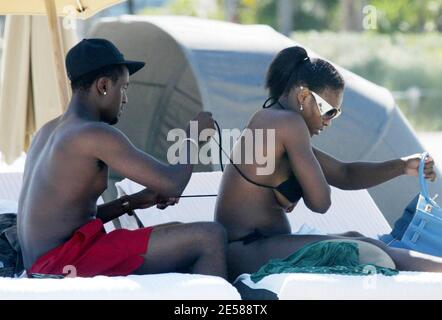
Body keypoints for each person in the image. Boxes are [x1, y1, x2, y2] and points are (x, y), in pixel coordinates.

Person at [214, 46, 442, 281]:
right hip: (246, 251)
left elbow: (345, 174)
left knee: (359, 239)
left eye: (335, 113)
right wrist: (304, 183)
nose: (328, 121)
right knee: (370, 251)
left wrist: (402, 166)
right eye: (328, 110)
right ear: (303, 96)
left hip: (256, 247)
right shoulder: (288, 124)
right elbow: (321, 202)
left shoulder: (275, 122)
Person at [17, 38, 227, 279]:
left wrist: (133, 202)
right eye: (124, 88)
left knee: (178, 232)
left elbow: (67, 220)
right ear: (104, 85)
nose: (125, 99)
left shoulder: (47, 131)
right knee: (210, 238)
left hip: (45, 263)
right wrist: (192, 137)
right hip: (63, 265)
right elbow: (173, 183)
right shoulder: (93, 133)